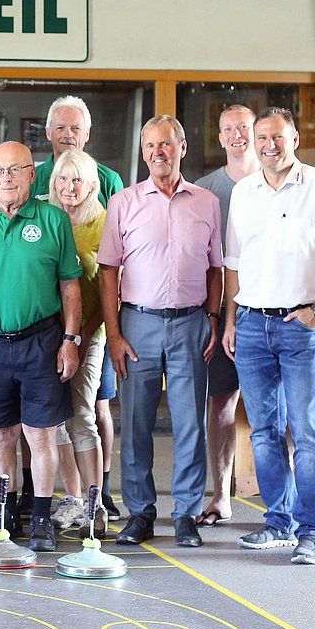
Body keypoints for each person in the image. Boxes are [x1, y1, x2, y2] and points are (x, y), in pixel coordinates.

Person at [224, 107, 315, 566]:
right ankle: (277, 522)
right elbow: (233, 264)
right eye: (261, 137)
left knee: (307, 431)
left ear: (295, 139)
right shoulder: (243, 193)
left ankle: (312, 532)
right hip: (251, 326)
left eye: (278, 137)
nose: (269, 145)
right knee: (263, 432)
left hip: (302, 329)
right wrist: (231, 320)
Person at [0, 142, 83, 552]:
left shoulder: (53, 220)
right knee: (1, 435)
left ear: (31, 174)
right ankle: (6, 513)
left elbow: (70, 285)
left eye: (15, 170)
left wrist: (70, 340)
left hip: (42, 342)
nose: (6, 178)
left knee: (40, 435)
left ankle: (41, 517)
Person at [99, 116, 223, 548]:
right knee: (136, 424)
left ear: (182, 148)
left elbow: (216, 268)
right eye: (150, 145)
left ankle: (186, 514)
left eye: (166, 144)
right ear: (143, 151)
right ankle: (140, 513)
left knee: (191, 424)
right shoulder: (123, 203)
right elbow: (107, 271)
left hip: (191, 324)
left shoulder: (207, 202)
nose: (158, 153)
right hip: (138, 325)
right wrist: (114, 334)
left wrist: (212, 318)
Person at [194, 104, 259, 527]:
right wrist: (214, 316)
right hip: (220, 312)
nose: (237, 135)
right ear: (219, 138)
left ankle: (284, 501)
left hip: (269, 312)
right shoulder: (206, 190)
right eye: (228, 129)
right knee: (221, 402)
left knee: (277, 409)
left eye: (244, 127)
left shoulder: (276, 182)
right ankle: (221, 495)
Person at [46, 149, 110, 538]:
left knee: (82, 417)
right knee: (53, 422)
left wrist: (83, 338)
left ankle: (94, 503)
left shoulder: (103, 224)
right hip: (46, 336)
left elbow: (108, 293)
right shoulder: (47, 217)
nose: (68, 187)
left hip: (87, 335)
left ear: (91, 185)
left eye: (77, 180)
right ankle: (72, 498)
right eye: (62, 178)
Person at [33, 95, 125, 206]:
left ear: (87, 134)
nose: (68, 134)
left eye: (75, 128)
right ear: (48, 133)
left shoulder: (109, 180)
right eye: (60, 128)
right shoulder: (31, 179)